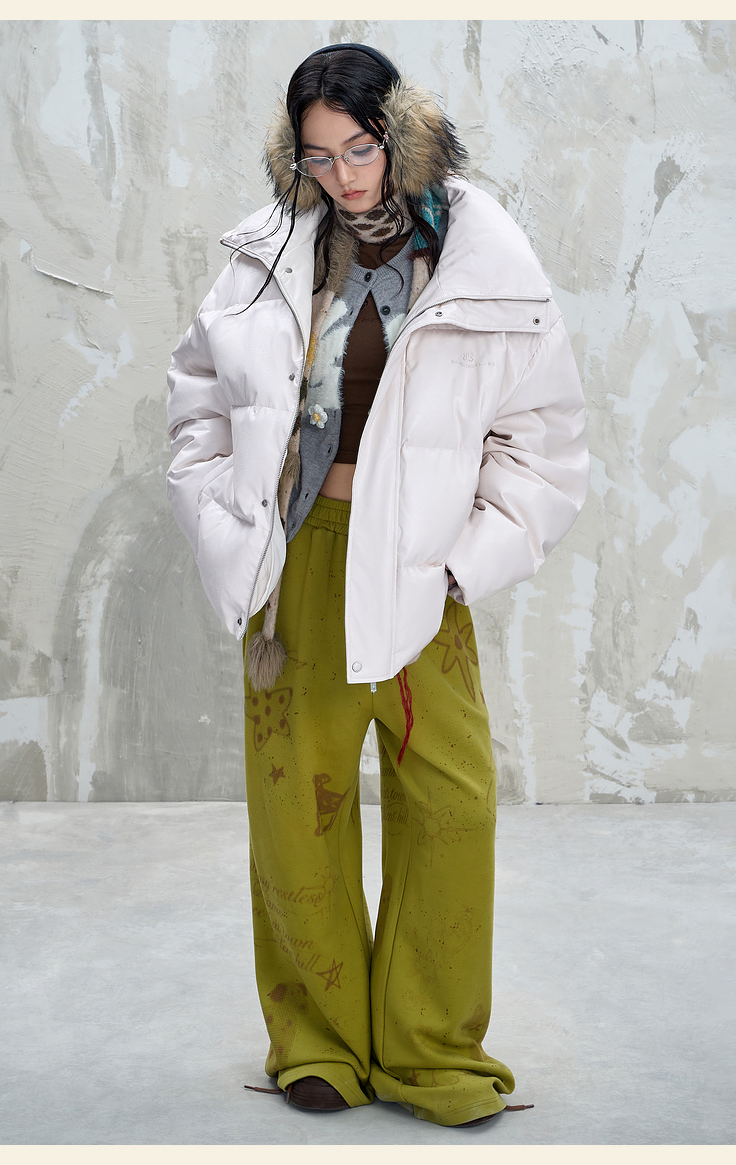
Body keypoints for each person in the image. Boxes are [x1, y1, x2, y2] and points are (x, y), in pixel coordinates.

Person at [166, 43, 588, 1128]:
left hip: (420, 566)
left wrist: (464, 562)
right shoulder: (270, 252)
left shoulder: (483, 259)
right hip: (300, 559)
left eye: (360, 149)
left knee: (451, 803)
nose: (345, 177)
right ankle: (316, 1041)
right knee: (295, 804)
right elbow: (199, 397)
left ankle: (431, 1051)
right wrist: (224, 518)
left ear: (401, 135)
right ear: (294, 159)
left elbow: (543, 439)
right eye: (318, 157)